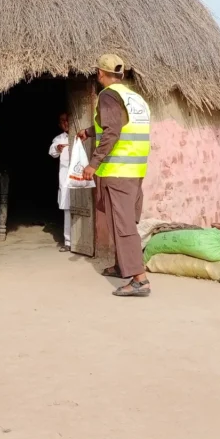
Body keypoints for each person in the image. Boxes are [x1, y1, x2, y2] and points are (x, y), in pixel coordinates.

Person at [77, 53, 152, 297]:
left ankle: (139, 280)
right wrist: (89, 131)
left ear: (100, 73)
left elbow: (112, 131)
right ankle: (122, 266)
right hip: (135, 170)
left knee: (123, 225)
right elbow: (119, 123)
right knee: (121, 221)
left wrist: (93, 163)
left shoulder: (107, 95)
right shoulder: (134, 98)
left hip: (118, 171)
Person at [48, 112, 71, 252]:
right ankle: (68, 241)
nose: (65, 123)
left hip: (82, 176)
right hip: (66, 178)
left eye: (67, 120)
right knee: (68, 209)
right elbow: (52, 151)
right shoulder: (59, 139)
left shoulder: (82, 134)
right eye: (62, 121)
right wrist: (58, 148)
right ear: (59, 124)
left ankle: (83, 241)